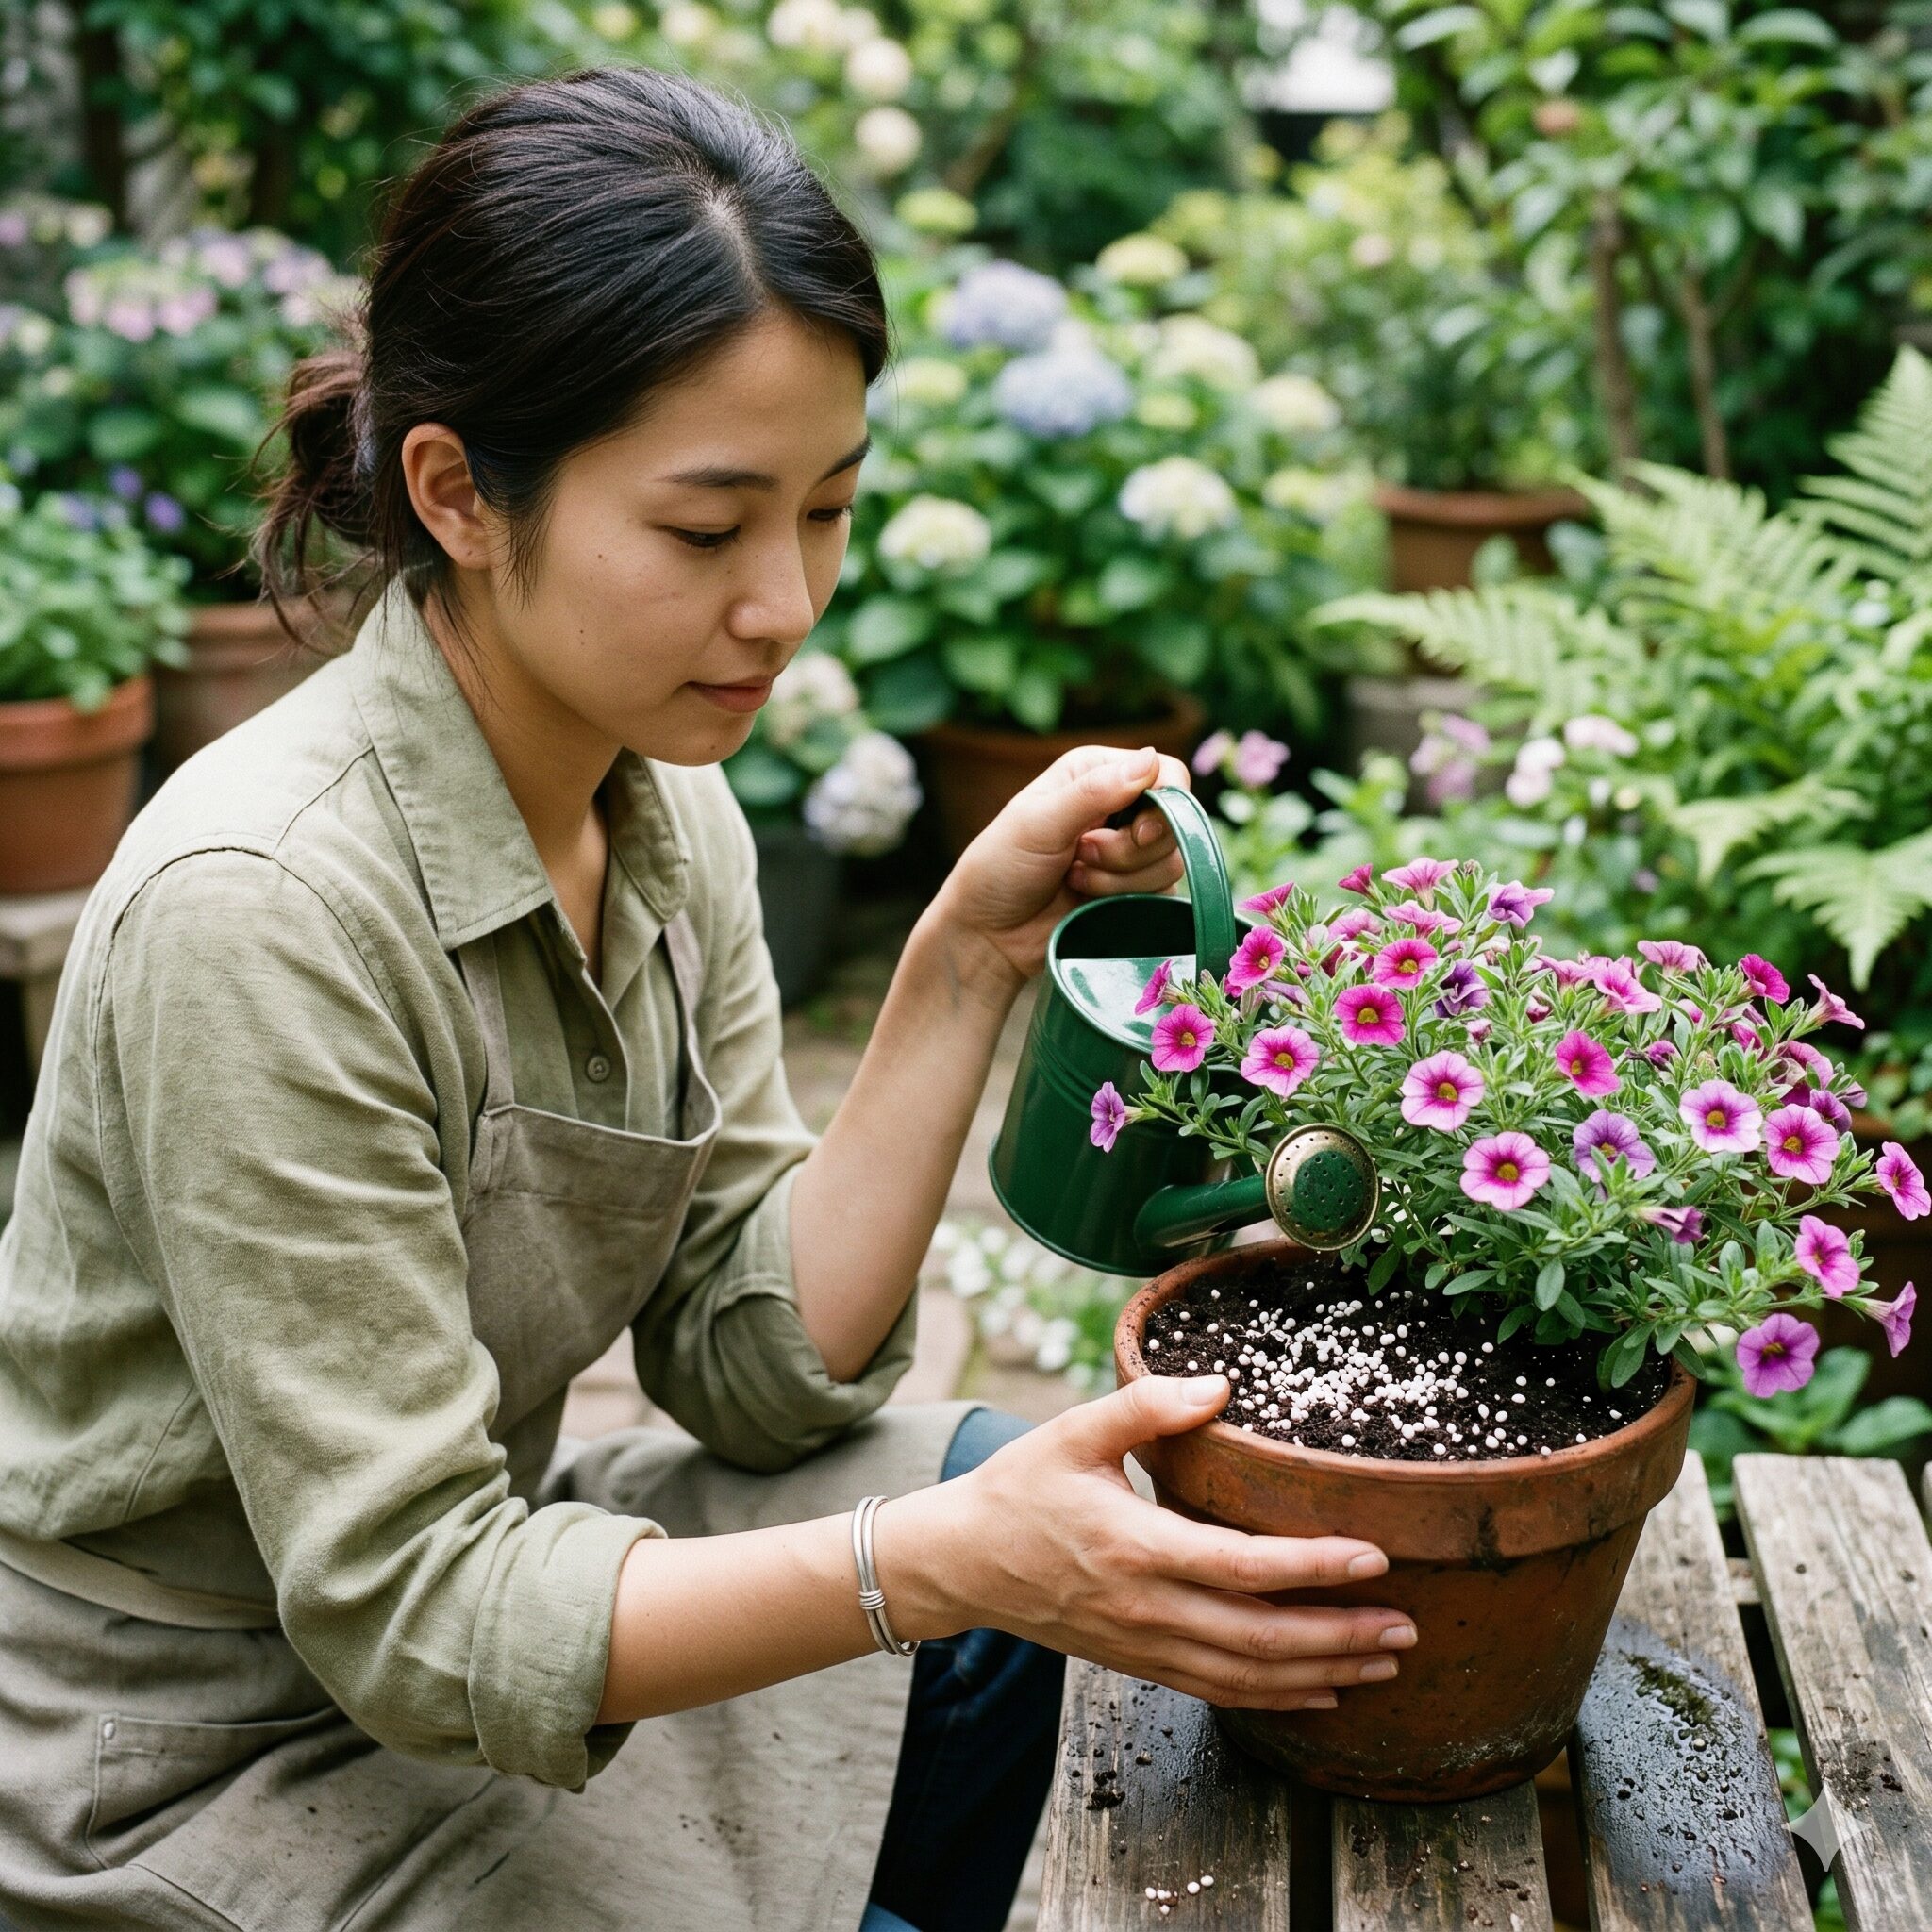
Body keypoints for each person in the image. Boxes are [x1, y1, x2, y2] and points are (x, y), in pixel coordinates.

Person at [0, 66, 1415, 1932]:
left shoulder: (659, 800)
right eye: (704, 528)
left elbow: (756, 1377)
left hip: (465, 1594)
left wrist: (967, 956)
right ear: (457, 492)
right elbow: (418, 1612)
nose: (786, 605)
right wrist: (929, 1566)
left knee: (976, 1504)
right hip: (202, 1745)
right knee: (956, 1566)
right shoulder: (260, 909)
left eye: (825, 511)